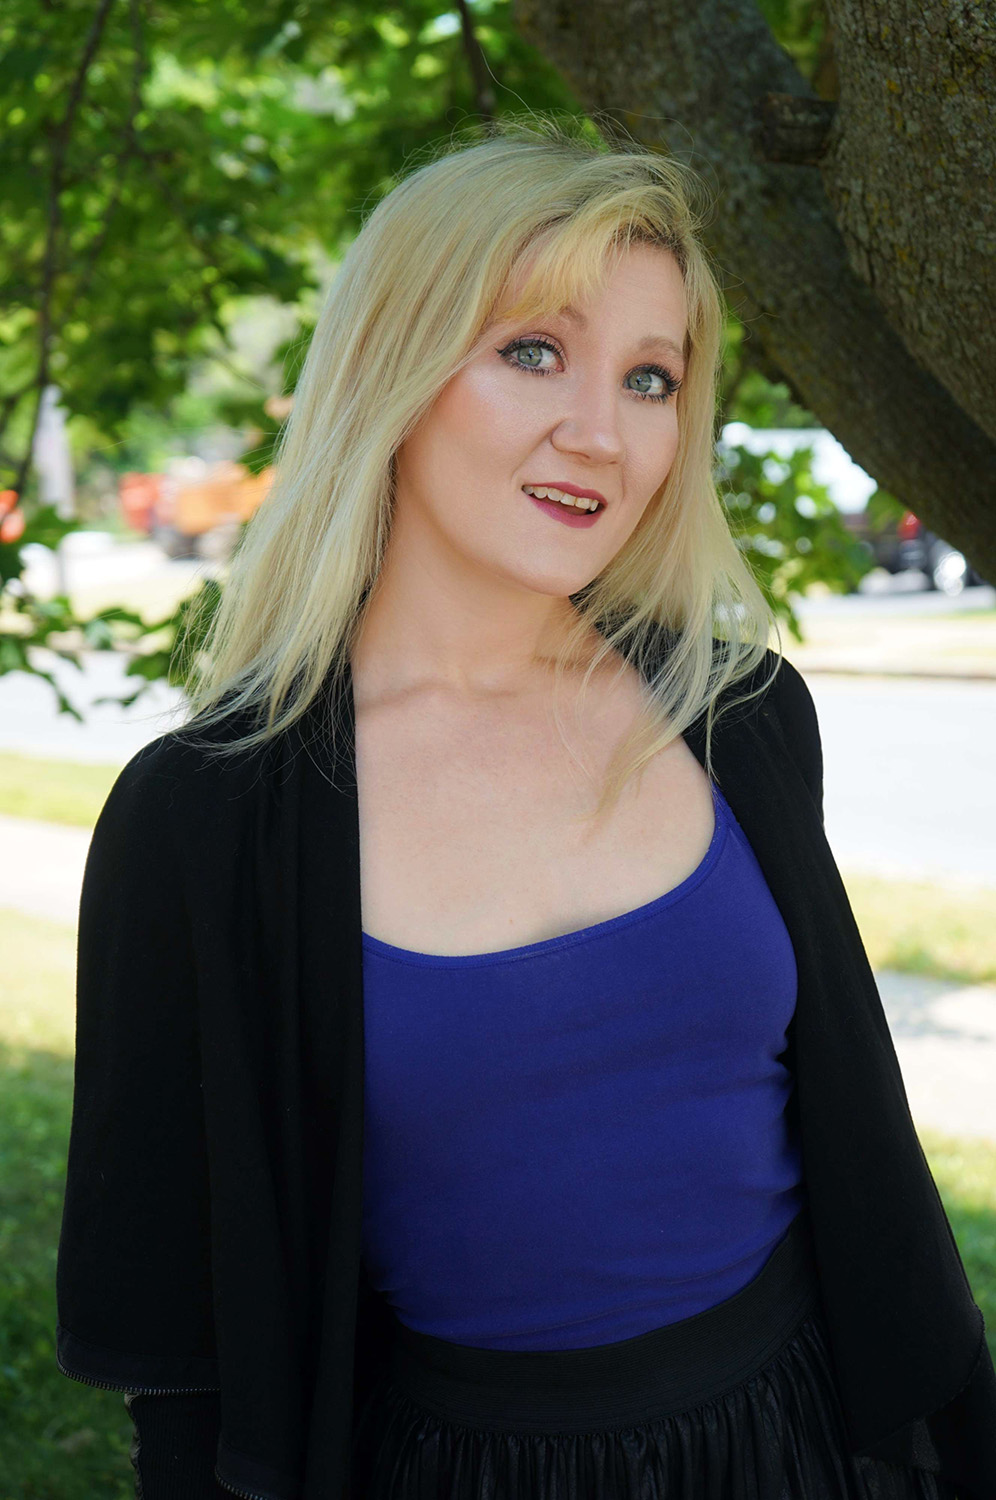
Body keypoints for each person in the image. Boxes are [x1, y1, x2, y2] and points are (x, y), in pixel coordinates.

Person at [55, 119, 996, 1500]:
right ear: (394, 365)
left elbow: (861, 1149)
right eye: (534, 352)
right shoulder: (205, 823)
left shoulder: (737, 715)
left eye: (651, 377)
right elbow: (182, 1351)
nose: (599, 434)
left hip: (805, 1441)